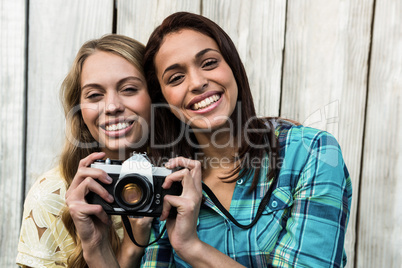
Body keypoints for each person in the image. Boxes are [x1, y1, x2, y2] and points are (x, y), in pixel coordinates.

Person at [140, 12, 353, 267]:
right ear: (163, 99)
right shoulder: (165, 184)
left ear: (232, 66)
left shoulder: (311, 152)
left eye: (209, 63)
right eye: (176, 78)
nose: (197, 82)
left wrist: (191, 246)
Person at [16, 34, 153, 267]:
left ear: (156, 97)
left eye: (129, 89)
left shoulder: (184, 183)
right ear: (79, 110)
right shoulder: (52, 196)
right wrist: (105, 249)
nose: (112, 107)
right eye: (94, 95)